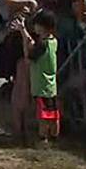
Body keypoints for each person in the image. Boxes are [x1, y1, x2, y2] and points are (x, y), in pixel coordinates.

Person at [4, 0, 45, 139]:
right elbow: (7, 0)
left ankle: (24, 122)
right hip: (18, 31)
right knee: (22, 78)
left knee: (29, 80)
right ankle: (17, 125)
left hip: (34, 32)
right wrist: (27, 2)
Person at [19, 9, 60, 144]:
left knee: (43, 115)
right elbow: (34, 43)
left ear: (41, 26)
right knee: (53, 114)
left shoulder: (41, 45)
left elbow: (29, 59)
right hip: (51, 86)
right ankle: (54, 136)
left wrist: (25, 44)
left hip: (40, 85)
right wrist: (23, 29)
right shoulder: (53, 41)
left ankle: (43, 138)